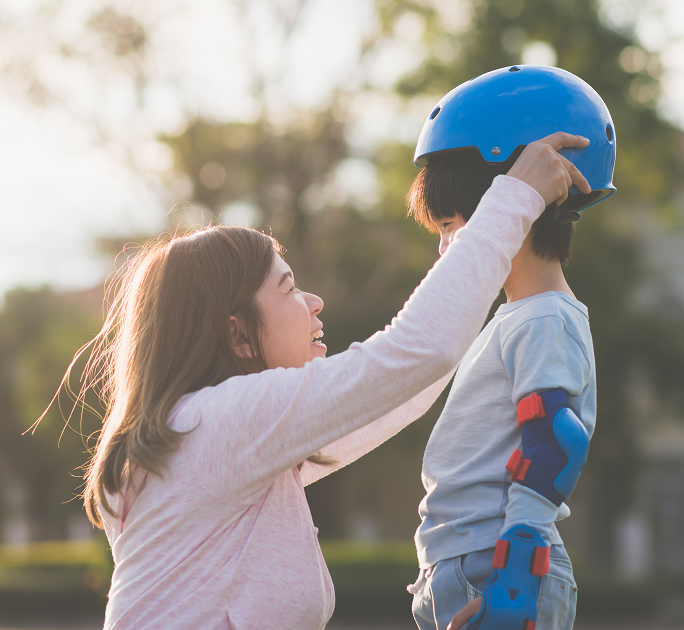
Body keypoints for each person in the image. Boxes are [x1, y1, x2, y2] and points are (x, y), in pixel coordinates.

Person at [51, 129, 588, 628]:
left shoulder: (215, 442)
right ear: (238, 335)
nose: (314, 301)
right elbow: (412, 355)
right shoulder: (219, 423)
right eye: (288, 289)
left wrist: (495, 266)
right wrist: (513, 200)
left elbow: (401, 385)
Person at [406, 66, 617, 630]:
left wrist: (516, 581)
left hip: (500, 569)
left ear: (519, 204)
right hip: (467, 566)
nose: (448, 245)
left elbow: (554, 442)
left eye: (453, 223)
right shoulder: (518, 317)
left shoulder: (545, 318)